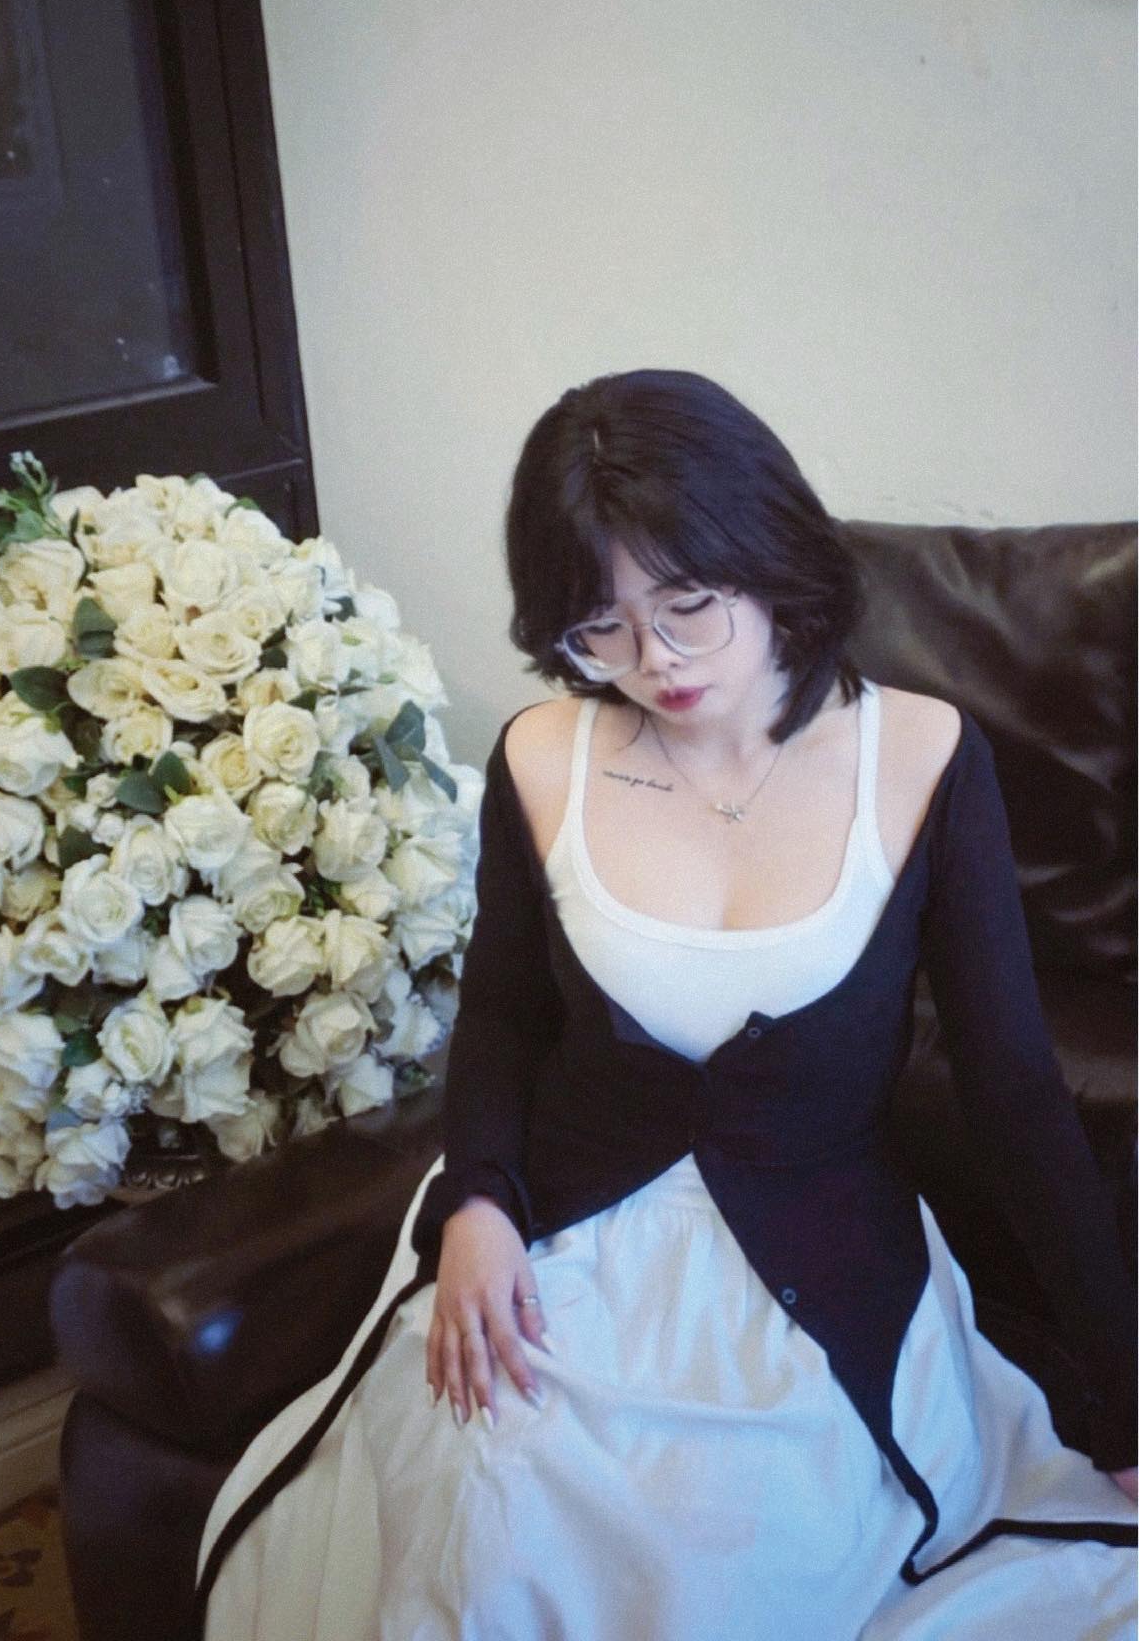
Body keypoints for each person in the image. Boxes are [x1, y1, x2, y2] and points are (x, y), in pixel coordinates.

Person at [198, 370, 1137, 1640]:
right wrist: (477, 1203)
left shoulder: (922, 755)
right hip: (556, 1259)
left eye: (690, 607)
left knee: (727, 1561)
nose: (655, 663)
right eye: (602, 628)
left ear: (771, 557)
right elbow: (504, 1018)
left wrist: (1127, 1400)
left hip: (817, 1282)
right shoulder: (543, 754)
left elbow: (1018, 1095)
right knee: (495, 1542)